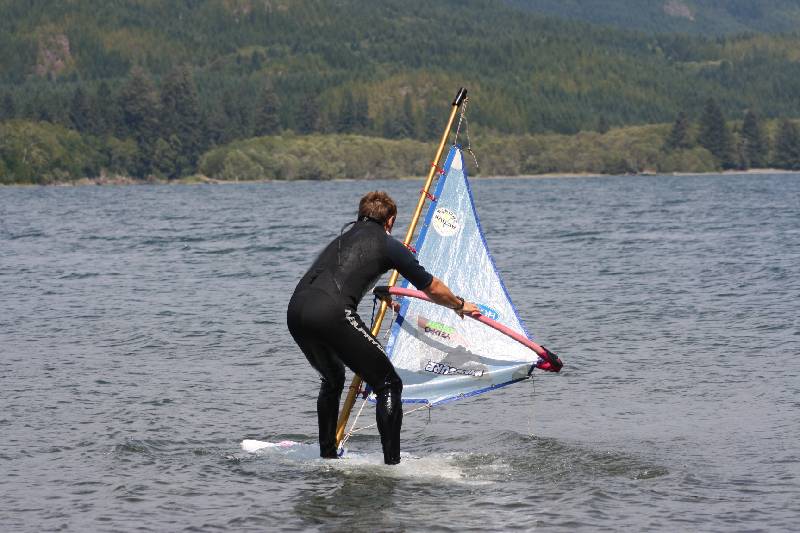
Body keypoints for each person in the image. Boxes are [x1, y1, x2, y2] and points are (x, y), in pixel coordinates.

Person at [287, 191, 478, 464]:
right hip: (331, 313)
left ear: (360, 216)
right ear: (390, 221)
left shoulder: (339, 240)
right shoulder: (387, 245)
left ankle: (327, 456)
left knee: (332, 380)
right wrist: (459, 305)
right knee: (388, 383)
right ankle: (392, 465)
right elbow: (432, 287)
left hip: (296, 311)